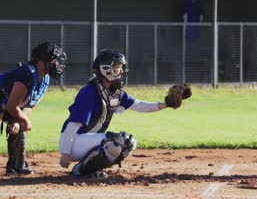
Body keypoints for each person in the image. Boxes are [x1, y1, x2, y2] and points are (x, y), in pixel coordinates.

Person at [59, 49, 191, 177]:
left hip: (85, 141)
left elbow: (139, 105)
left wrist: (166, 104)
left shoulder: (114, 92)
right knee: (115, 142)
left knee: (129, 143)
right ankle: (81, 171)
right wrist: (65, 153)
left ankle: (87, 168)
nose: (121, 71)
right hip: (73, 142)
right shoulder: (89, 92)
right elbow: (73, 125)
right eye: (117, 67)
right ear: (105, 68)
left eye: (121, 67)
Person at [0, 40, 67, 175]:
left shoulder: (44, 79)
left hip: (4, 104)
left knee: (19, 125)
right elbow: (12, 106)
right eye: (54, 60)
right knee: (21, 121)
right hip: (4, 103)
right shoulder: (27, 74)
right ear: (42, 61)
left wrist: (19, 120)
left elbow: (30, 104)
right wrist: (22, 119)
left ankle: (16, 166)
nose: (57, 64)